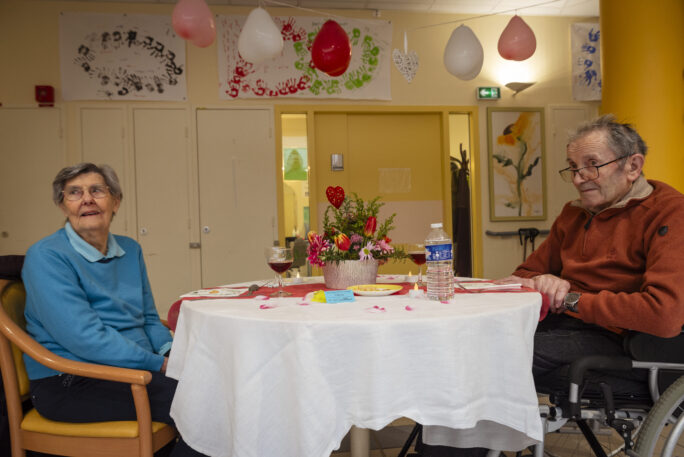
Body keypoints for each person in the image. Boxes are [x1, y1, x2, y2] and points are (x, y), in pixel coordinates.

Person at [418, 115, 684, 456]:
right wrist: (543, 282)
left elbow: (664, 315)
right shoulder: (573, 214)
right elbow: (524, 274)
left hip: (622, 340)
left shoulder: (669, 214)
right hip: (565, 327)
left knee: (486, 354)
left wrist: (571, 299)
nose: (579, 179)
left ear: (632, 166)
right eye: (573, 168)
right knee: (464, 340)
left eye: (592, 165)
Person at [21, 163, 208, 457]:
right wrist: (157, 365)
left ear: (115, 200)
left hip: (131, 371)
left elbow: (147, 317)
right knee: (205, 409)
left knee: (219, 388)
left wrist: (170, 352)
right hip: (70, 380)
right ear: (62, 205)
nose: (87, 199)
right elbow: (85, 338)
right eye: (74, 193)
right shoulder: (47, 257)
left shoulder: (130, 249)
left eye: (97, 190)